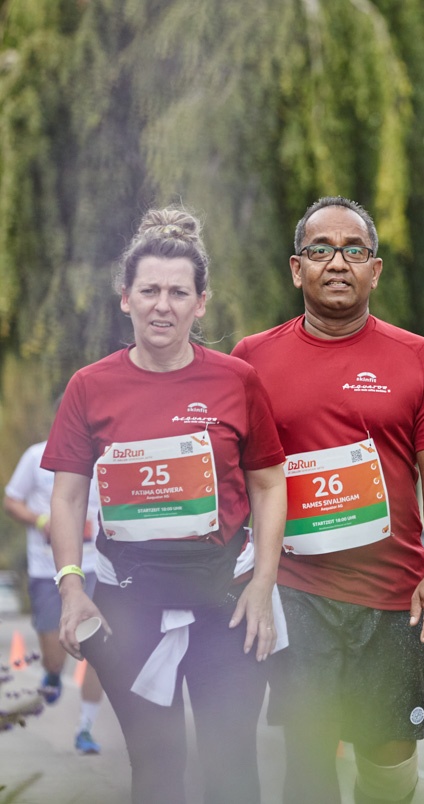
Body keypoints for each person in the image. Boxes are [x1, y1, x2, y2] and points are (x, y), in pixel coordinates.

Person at [43, 208, 287, 804]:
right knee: (157, 769)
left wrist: (263, 583)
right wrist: (71, 588)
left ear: (201, 304)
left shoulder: (237, 380)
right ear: (125, 298)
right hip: (129, 606)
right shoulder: (89, 386)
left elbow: (268, 485)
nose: (163, 305)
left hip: (228, 604)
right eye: (149, 290)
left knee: (232, 768)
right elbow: (68, 496)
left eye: (179, 293)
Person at [232, 196, 424, 804]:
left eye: (354, 250)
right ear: (297, 268)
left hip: (393, 595)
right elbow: (233, 471)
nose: (337, 262)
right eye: (321, 250)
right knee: (308, 755)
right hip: (296, 590)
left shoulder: (417, 356)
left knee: (389, 762)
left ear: (375, 270)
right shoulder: (251, 359)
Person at [4, 442, 105, 753]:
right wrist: (41, 521)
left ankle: (85, 728)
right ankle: (52, 672)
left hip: (96, 567)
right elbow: (11, 501)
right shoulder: (36, 456)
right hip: (47, 570)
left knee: (97, 652)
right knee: (55, 655)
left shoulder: (106, 453)